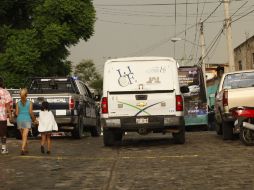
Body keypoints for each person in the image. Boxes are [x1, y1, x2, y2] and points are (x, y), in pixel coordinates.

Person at [15, 88, 36, 155]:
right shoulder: (30, 103)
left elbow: (16, 113)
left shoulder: (17, 103)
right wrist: (34, 119)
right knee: (25, 135)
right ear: (27, 95)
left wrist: (21, 114)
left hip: (19, 119)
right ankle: (22, 149)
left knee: (23, 136)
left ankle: (26, 149)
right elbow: (30, 112)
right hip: (27, 119)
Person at [0, 77, 13, 154]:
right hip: (2, 116)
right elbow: (8, 105)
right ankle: (3, 149)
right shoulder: (5, 92)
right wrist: (10, 116)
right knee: (3, 133)